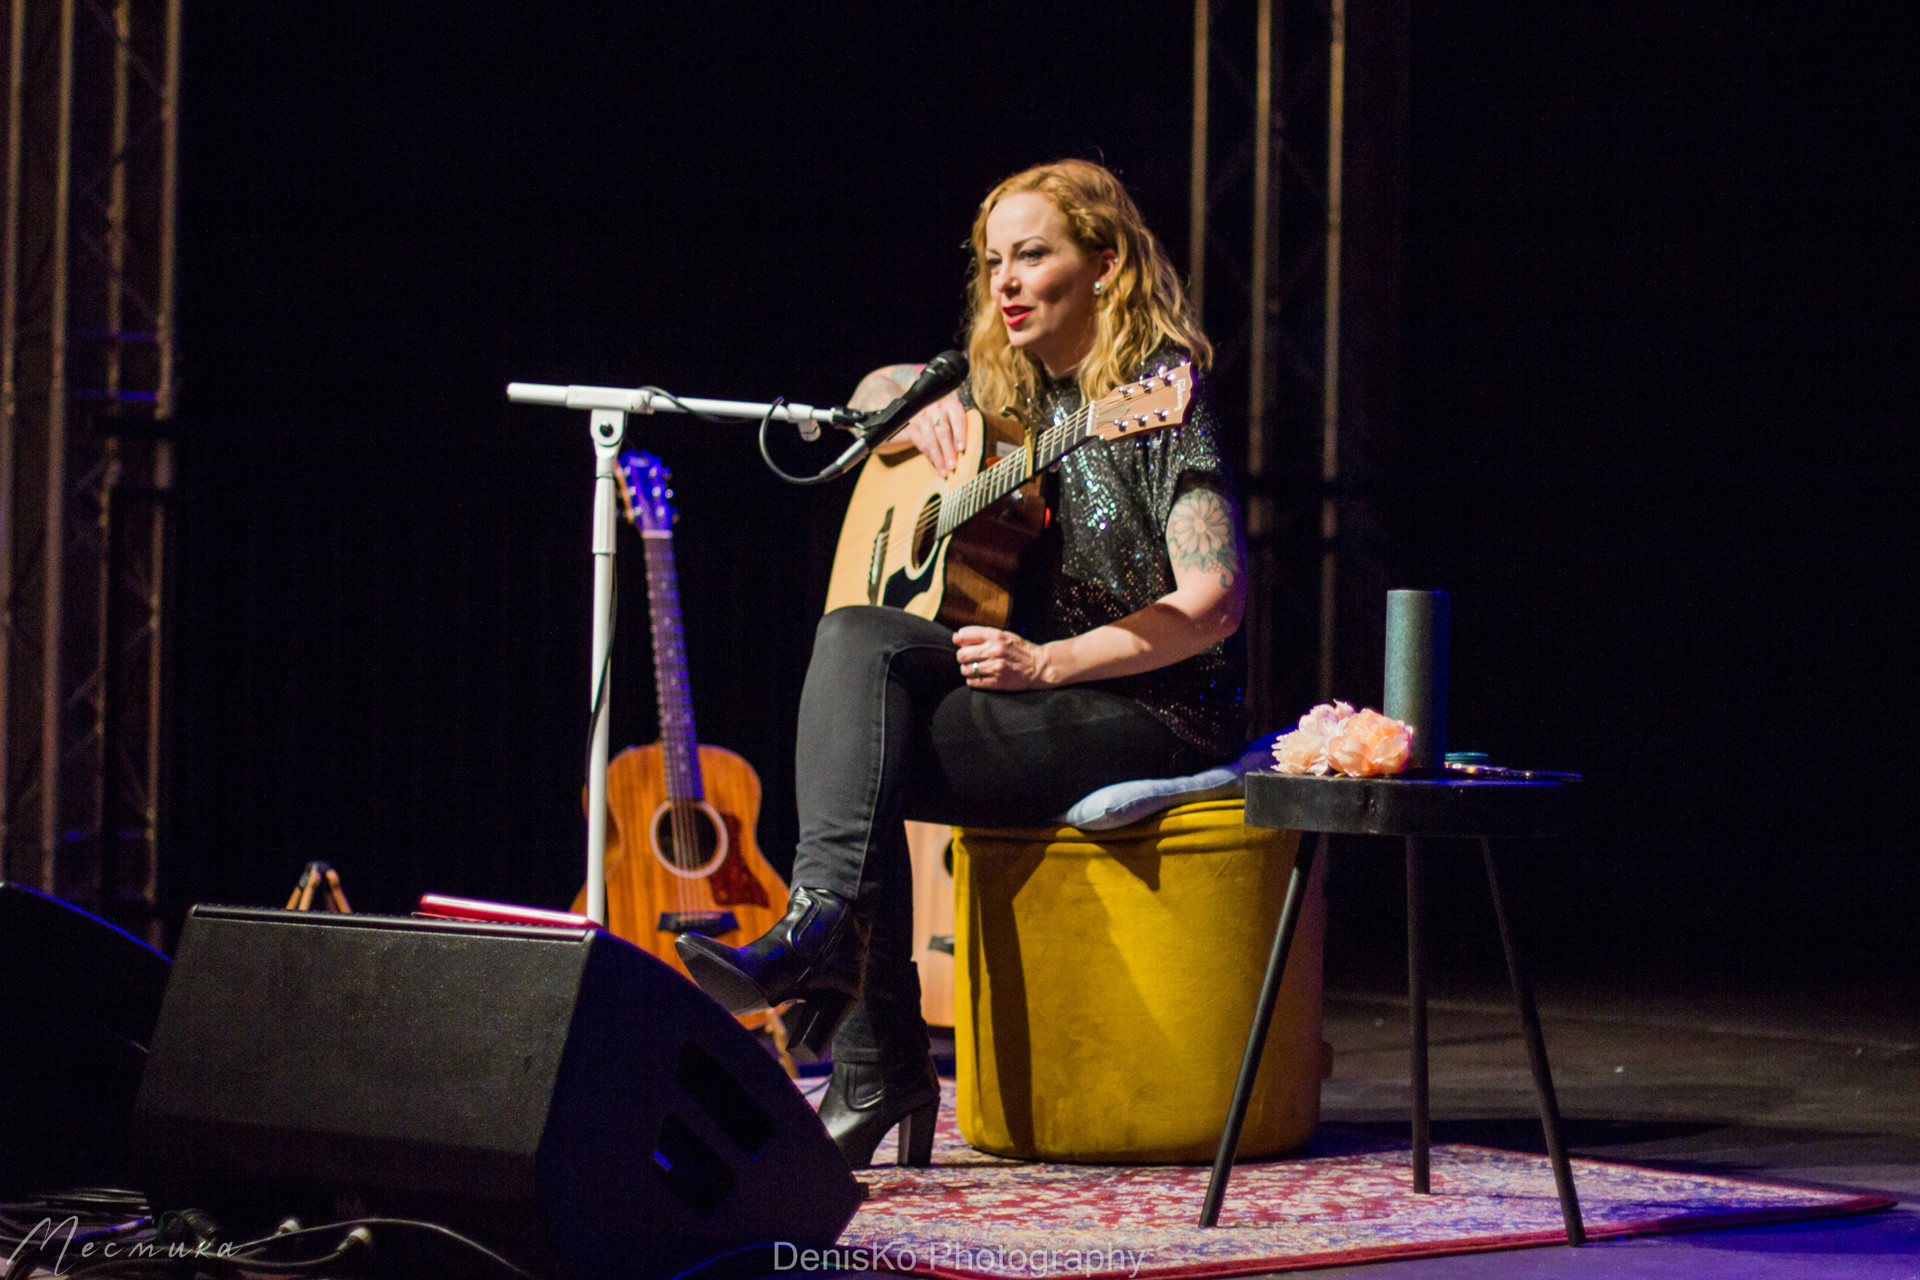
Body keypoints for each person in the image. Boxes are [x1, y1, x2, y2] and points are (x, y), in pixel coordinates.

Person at [679, 159, 1247, 1168]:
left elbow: (1215, 603)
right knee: (854, 646)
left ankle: (866, 1042)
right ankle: (843, 978)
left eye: (1035, 256)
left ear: (1106, 264)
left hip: (1150, 702)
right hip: (1037, 686)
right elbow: (863, 395)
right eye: (995, 262)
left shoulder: (1158, 397)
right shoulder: (1011, 389)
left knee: (865, 734)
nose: (1007, 284)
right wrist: (909, 402)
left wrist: (1051, 660)